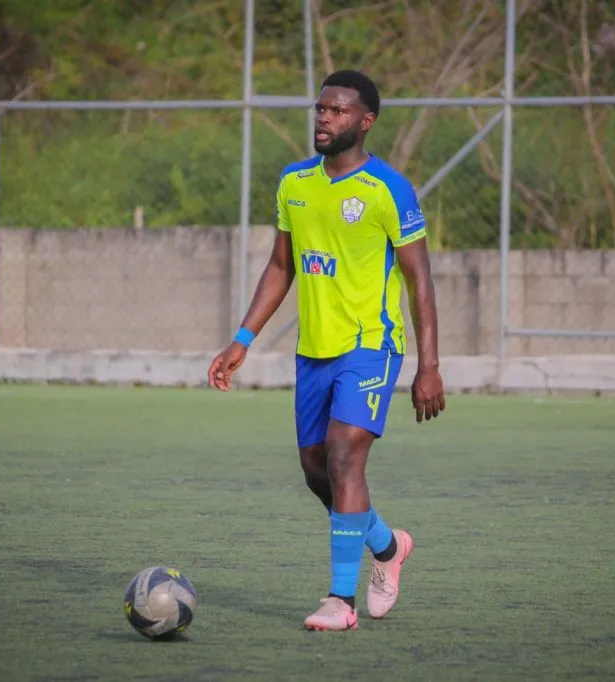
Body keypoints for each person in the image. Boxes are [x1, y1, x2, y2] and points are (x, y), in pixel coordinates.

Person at [207, 69, 445, 632]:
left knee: (344, 458)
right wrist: (242, 339)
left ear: (366, 122)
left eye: (337, 111)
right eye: (320, 109)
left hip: (372, 345)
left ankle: (341, 601)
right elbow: (280, 266)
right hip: (313, 350)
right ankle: (387, 547)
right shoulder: (294, 182)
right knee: (318, 473)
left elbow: (421, 282)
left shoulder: (388, 188)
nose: (323, 118)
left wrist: (429, 365)